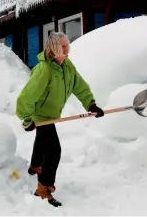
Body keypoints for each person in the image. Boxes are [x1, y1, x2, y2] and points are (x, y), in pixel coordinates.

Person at [16, 31, 104, 207]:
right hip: (41, 115)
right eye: (63, 47)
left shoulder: (67, 65)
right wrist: (26, 119)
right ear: (54, 48)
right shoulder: (44, 70)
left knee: (42, 141)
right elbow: (27, 96)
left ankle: (35, 167)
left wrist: (91, 104)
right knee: (53, 151)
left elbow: (80, 86)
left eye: (67, 45)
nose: (67, 49)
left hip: (51, 114)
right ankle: (43, 189)